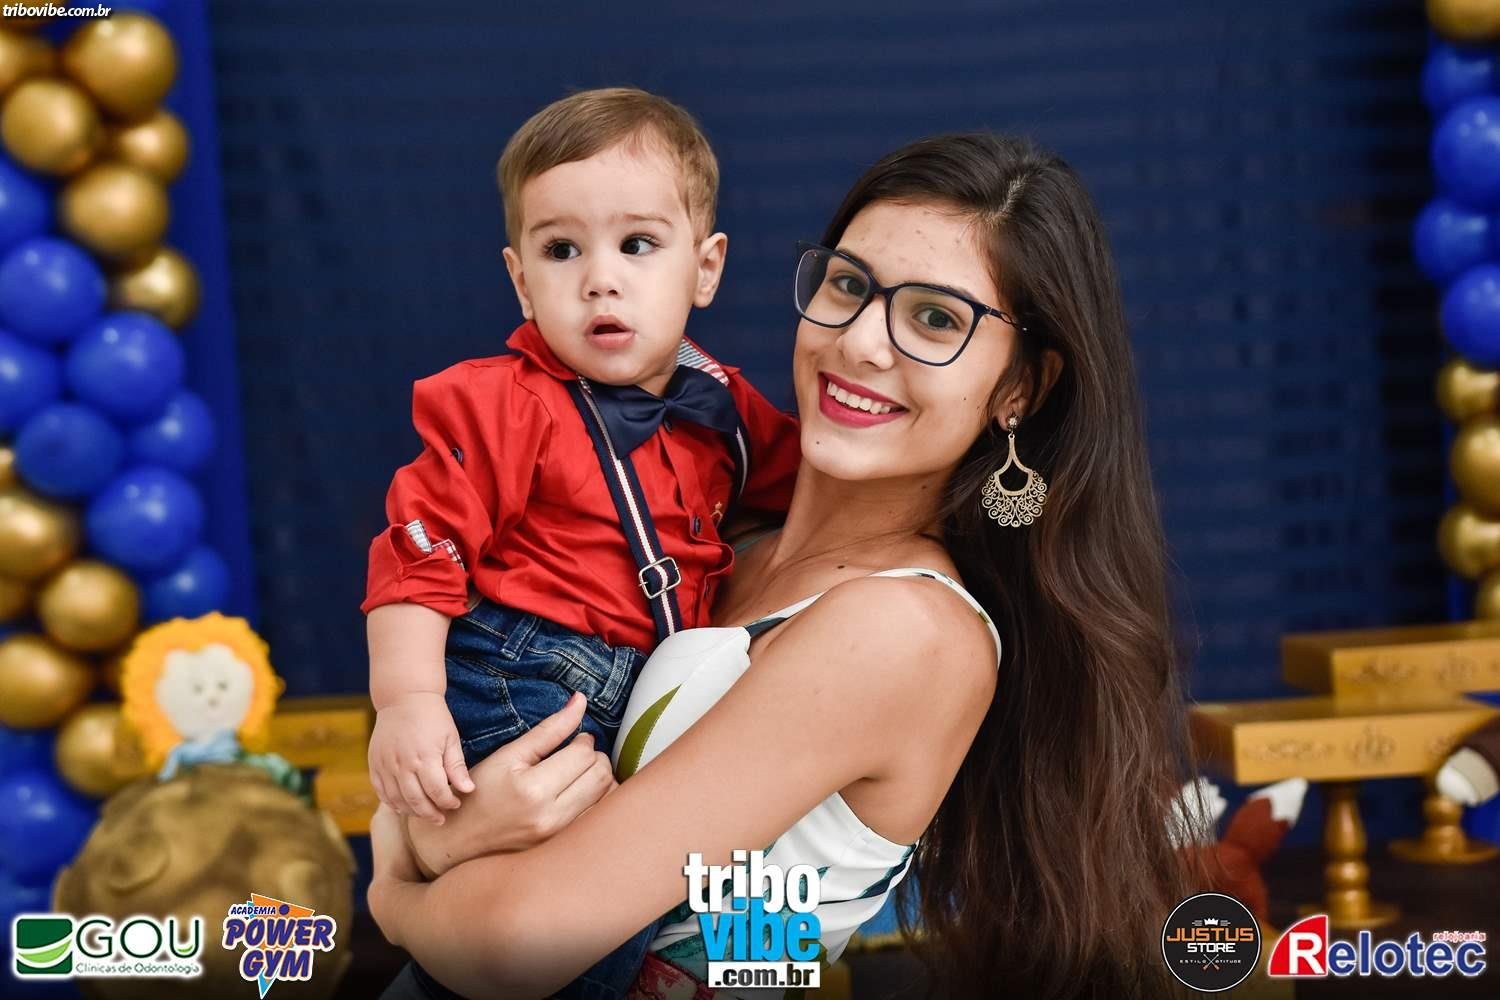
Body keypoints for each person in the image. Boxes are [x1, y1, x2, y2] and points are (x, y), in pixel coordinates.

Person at [369, 131, 1201, 1000]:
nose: (862, 343)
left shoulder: (908, 631)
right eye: (848, 286)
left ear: (1021, 387)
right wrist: (440, 826)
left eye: (936, 319)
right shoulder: (701, 534)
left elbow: (517, 941)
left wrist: (397, 883)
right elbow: (460, 677)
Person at [361, 87, 800, 999]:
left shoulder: (723, 405)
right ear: (522, 281)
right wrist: (407, 701)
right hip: (520, 682)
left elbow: (810, 485)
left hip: (631, 694)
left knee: (598, 915)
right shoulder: (503, 403)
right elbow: (420, 545)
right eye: (562, 251)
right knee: (569, 934)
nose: (600, 278)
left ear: (705, 267)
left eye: (638, 245)